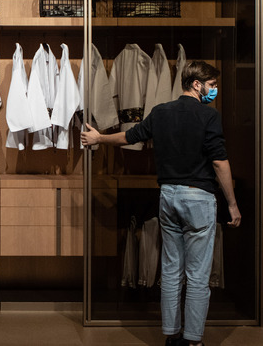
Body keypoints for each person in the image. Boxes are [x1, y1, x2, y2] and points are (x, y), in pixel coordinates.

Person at [81, 61, 241, 346]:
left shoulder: (161, 112)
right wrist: (232, 204)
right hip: (198, 198)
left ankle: (171, 336)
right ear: (196, 84)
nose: (214, 91)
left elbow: (130, 136)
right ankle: (193, 340)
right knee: (197, 275)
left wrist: (99, 138)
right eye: (212, 86)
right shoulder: (209, 116)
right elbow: (219, 162)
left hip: (168, 197)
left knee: (170, 269)